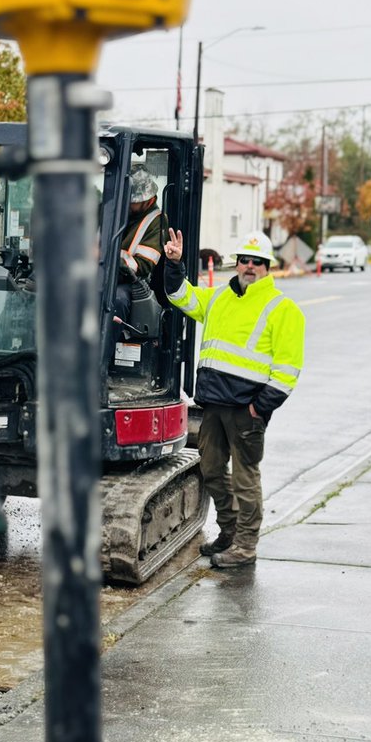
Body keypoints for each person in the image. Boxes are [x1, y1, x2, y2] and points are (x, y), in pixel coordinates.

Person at [163, 227, 305, 568]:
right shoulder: (219, 298)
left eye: (258, 261)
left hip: (246, 411)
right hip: (213, 404)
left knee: (245, 479)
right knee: (211, 470)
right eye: (245, 260)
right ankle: (229, 530)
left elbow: (288, 371)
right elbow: (181, 297)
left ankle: (245, 546)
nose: (250, 266)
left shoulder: (283, 309)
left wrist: (260, 408)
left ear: (268, 267)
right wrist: (174, 264)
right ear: (237, 263)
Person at [113, 169, 165, 331]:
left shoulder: (157, 222)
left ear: (147, 200)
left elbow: (142, 265)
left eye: (132, 201)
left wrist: (107, 258)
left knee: (116, 300)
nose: (128, 204)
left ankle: (102, 354)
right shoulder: (114, 212)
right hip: (99, 274)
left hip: (130, 281)